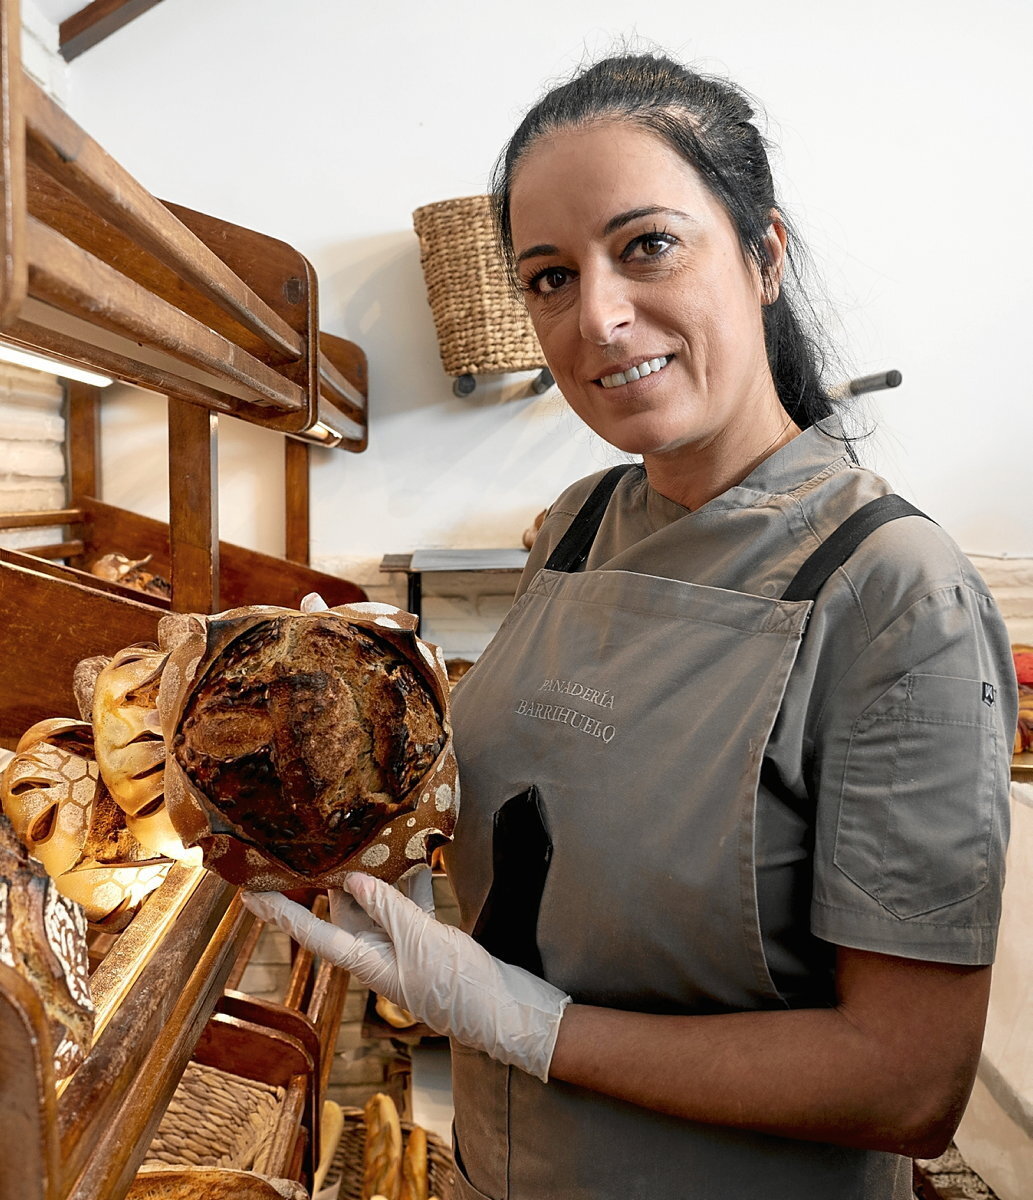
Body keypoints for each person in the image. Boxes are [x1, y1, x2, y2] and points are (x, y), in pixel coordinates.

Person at [245, 53, 1017, 1200]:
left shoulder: (893, 591)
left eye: (646, 245)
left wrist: (528, 1025)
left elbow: (906, 1083)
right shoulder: (575, 523)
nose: (596, 316)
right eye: (549, 277)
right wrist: (350, 723)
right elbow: (557, 802)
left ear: (763, 254)